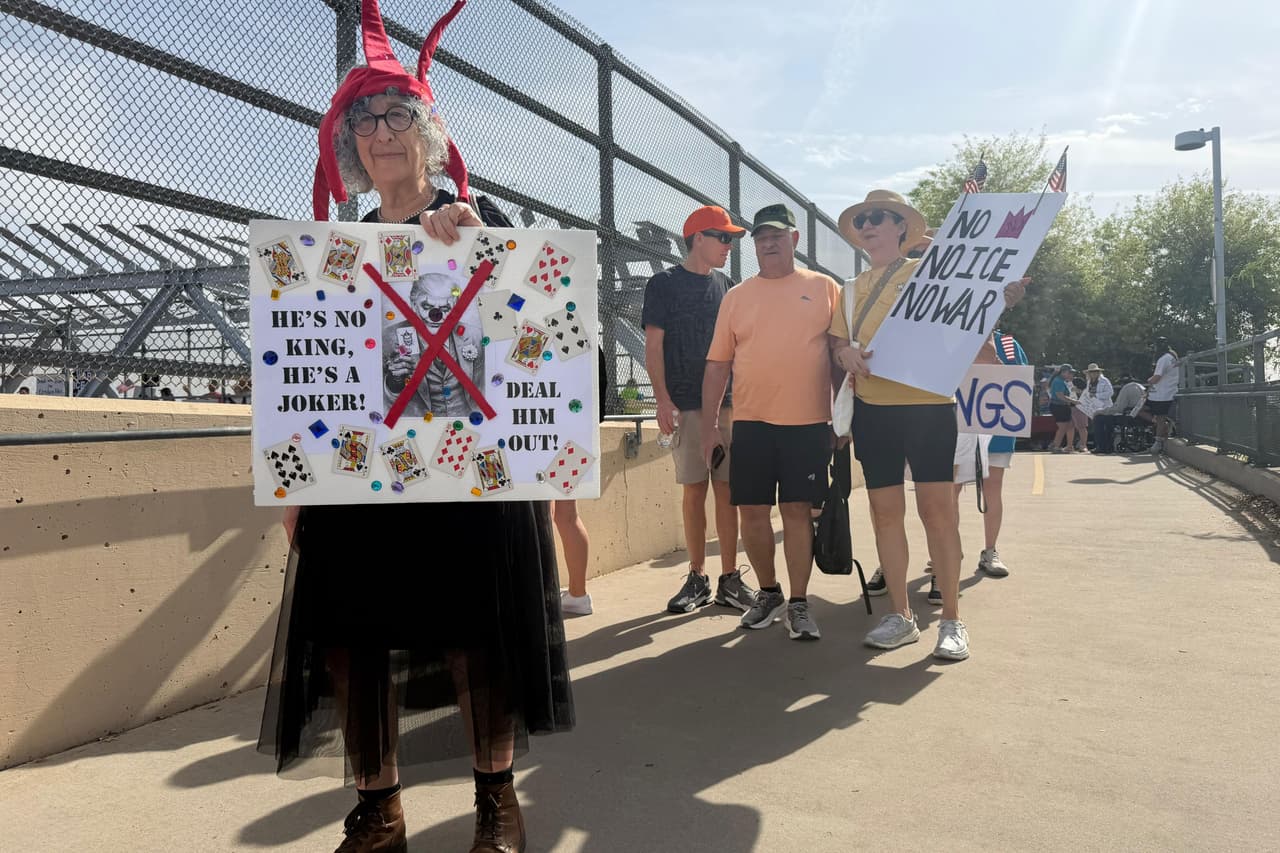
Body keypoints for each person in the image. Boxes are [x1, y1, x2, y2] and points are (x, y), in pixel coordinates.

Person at [258, 4, 573, 852]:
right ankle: (379, 810)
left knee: (482, 646)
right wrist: (298, 485)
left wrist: (476, 244)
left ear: (429, 134)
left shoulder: (473, 221)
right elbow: (313, 376)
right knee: (356, 645)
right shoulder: (339, 246)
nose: (382, 133)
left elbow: (534, 332)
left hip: (466, 479)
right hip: (364, 482)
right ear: (349, 144)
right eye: (365, 120)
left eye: (399, 116)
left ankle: (495, 803)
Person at [829, 190, 1027, 661]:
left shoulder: (930, 274)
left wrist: (1001, 301)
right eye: (863, 220)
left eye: (880, 217)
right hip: (873, 411)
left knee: (938, 513)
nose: (869, 225)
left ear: (902, 228)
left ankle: (953, 619)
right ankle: (900, 616)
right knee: (884, 513)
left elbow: (969, 321)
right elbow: (838, 344)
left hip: (928, 407)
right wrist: (846, 354)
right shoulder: (851, 289)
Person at [701, 203, 840, 641]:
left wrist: (843, 417)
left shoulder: (824, 288)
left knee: (797, 511)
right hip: (753, 424)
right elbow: (717, 365)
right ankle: (769, 593)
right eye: (761, 238)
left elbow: (838, 356)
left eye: (777, 236)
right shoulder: (737, 296)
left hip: (809, 424)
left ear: (795, 239)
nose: (768, 244)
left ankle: (799, 602)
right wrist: (709, 427)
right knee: (752, 513)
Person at [643, 205, 757, 615]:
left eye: (731, 239)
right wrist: (661, 398)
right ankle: (697, 577)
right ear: (698, 238)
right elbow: (653, 346)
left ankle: (729, 578)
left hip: (728, 405)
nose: (729, 246)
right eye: (723, 237)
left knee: (728, 491)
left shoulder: (728, 285)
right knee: (695, 489)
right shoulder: (664, 284)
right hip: (686, 404)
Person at [558, 348, 611, 617]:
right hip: (577, 434)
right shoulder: (590, 339)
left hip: (541, 433)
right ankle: (578, 593)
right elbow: (600, 404)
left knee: (548, 517)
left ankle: (562, 592)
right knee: (567, 515)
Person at [1092, 375, 1146, 454]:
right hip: (1139, 416)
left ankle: (1102, 446)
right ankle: (1108, 445)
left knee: (1099, 418)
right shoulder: (1141, 387)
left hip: (1129, 417)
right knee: (1109, 418)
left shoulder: (1127, 388)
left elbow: (1119, 408)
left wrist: (1100, 411)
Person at [1145, 336, 1180, 453]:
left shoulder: (1163, 359)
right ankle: (1164, 434)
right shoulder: (1172, 357)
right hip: (1170, 391)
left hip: (1162, 394)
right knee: (1162, 417)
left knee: (1159, 418)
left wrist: (1149, 380)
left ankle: (1158, 442)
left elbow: (1157, 377)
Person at [1048, 364, 1078, 453]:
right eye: (1070, 373)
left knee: (1070, 426)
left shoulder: (1063, 381)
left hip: (1063, 406)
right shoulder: (1058, 381)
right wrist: (1073, 401)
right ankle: (1055, 446)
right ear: (1064, 372)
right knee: (1063, 427)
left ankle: (1069, 446)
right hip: (1058, 406)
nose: (1071, 375)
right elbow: (1060, 395)